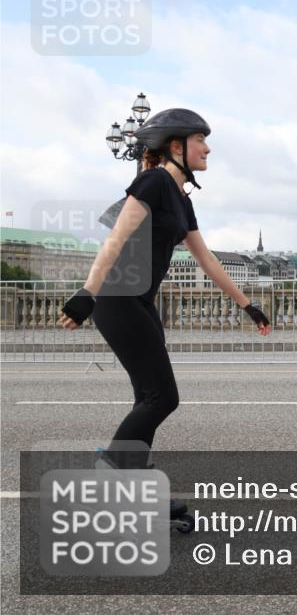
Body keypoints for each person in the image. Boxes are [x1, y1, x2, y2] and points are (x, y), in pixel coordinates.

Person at [58, 108, 272, 516]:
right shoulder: (154, 181)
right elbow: (117, 238)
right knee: (163, 397)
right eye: (200, 141)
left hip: (140, 300)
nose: (207, 148)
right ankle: (111, 475)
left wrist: (249, 305)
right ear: (176, 146)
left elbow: (207, 260)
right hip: (118, 298)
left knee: (148, 397)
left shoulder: (180, 197)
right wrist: (88, 292)